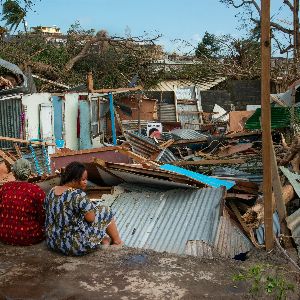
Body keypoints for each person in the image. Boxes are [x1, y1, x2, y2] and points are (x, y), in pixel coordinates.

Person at [44, 161, 123, 256]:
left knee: (80, 219)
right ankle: (117, 241)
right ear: (74, 179)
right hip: (74, 246)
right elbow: (91, 218)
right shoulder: (78, 195)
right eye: (83, 179)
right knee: (105, 210)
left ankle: (104, 240)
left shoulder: (52, 191)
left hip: (53, 242)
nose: (86, 182)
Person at [0, 158, 46, 246]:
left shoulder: (4, 188)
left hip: (4, 235)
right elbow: (43, 215)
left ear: (13, 173)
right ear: (29, 172)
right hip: (28, 236)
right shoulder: (36, 190)